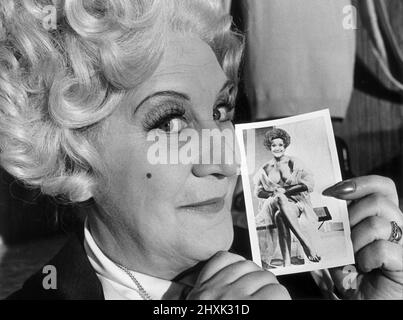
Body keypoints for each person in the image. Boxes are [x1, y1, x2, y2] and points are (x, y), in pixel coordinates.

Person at [0, 0, 402, 300]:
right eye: (171, 123)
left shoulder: (318, 274)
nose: (228, 162)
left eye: (220, 110)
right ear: (73, 159)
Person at [253, 128, 321, 267]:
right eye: (274, 145)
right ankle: (305, 244)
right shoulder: (265, 168)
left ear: (285, 146)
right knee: (278, 199)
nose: (277, 148)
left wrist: (285, 191)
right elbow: (258, 192)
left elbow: (308, 184)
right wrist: (273, 193)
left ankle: (287, 262)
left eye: (280, 145)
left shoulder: (294, 162)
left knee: (280, 216)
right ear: (269, 146)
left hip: (296, 203)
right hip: (273, 203)